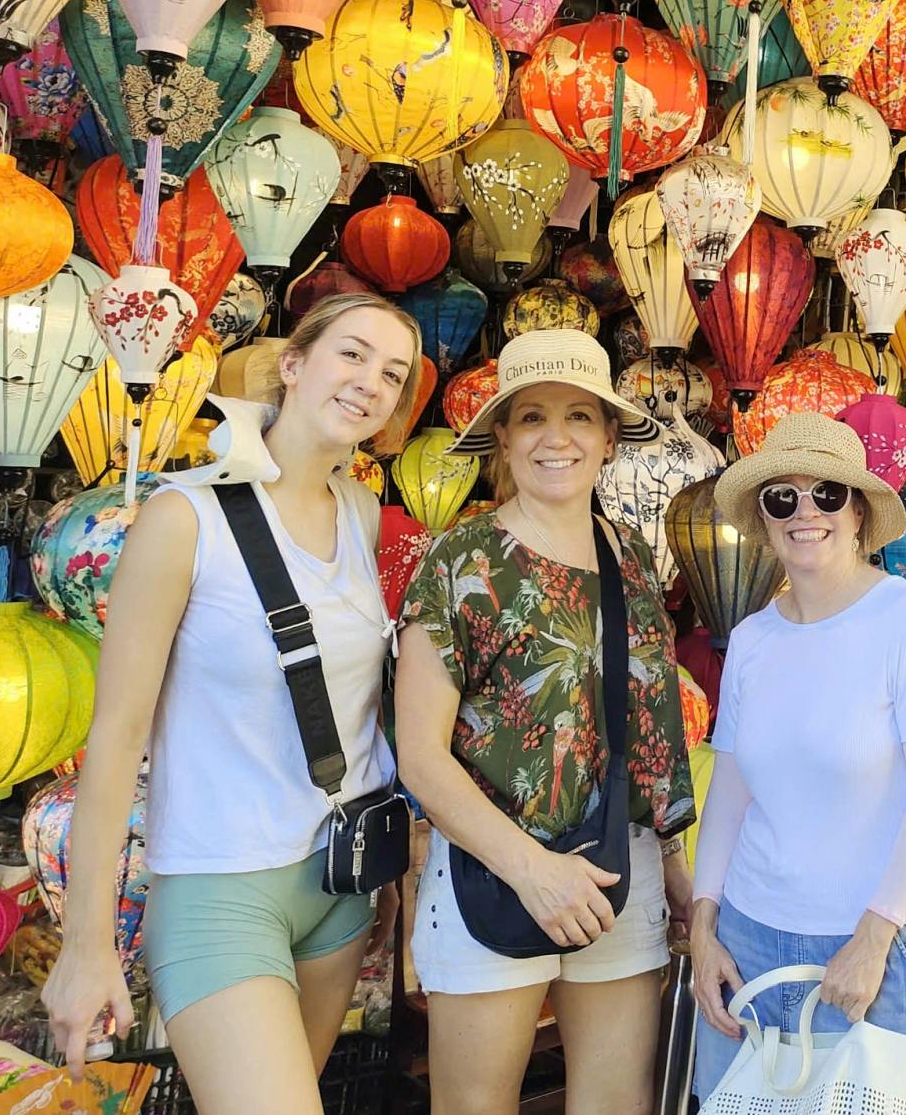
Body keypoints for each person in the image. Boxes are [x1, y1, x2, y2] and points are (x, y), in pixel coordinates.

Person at [43, 294, 425, 1113]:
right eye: (352, 354)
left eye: (393, 374)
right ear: (293, 365)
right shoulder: (185, 518)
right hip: (220, 885)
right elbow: (114, 739)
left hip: (342, 881)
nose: (370, 382)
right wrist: (86, 944)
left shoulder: (362, 517)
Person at [395, 330, 695, 1115]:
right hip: (492, 870)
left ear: (605, 438)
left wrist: (672, 866)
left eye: (578, 417)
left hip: (614, 867)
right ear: (503, 437)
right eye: (532, 417)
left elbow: (646, 730)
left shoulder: (627, 553)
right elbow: (420, 755)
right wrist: (534, 870)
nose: (556, 438)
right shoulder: (462, 558)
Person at [689, 414, 906, 1115]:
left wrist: (874, 937)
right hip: (751, 940)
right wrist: (702, 926)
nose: (804, 512)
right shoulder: (752, 638)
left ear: (858, 511)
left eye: (826, 495)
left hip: (881, 947)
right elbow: (729, 793)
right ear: (763, 517)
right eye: (781, 498)